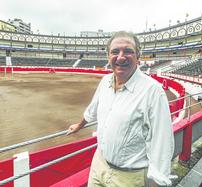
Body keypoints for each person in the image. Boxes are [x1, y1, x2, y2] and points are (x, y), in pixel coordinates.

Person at [67, 31, 174, 187]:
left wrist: (157, 182)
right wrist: (79, 124)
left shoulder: (153, 91)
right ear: (108, 57)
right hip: (98, 165)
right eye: (115, 52)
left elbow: (162, 143)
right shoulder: (105, 81)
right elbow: (93, 108)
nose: (121, 57)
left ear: (138, 57)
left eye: (128, 51)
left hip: (129, 178)